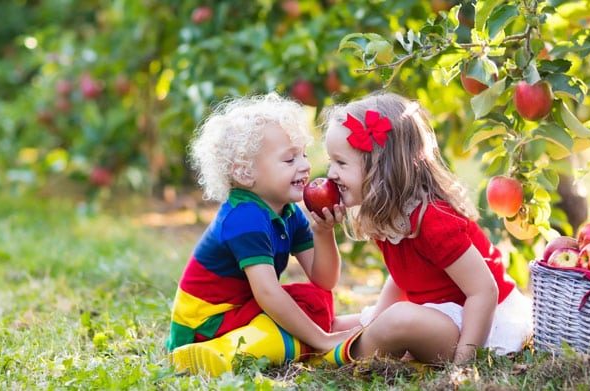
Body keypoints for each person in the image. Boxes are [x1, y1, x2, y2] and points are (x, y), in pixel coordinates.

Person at [319, 92, 533, 366]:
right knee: (341, 322)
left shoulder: (433, 219)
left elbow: (483, 291)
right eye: (331, 162)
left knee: (399, 320)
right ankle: (312, 339)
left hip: (479, 326)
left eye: (341, 162)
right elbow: (403, 275)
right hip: (440, 314)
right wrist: (374, 319)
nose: (331, 173)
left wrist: (464, 364)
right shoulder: (388, 213)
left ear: (380, 167)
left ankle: (333, 355)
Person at [166, 93, 356, 376]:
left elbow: (324, 280)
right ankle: (223, 354)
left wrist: (323, 232)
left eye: (303, 154)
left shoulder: (288, 213)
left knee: (315, 299)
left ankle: (290, 343)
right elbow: (268, 292)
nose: (304, 165)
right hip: (206, 324)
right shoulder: (244, 217)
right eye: (290, 159)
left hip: (243, 311)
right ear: (245, 172)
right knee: (296, 315)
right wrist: (322, 339)